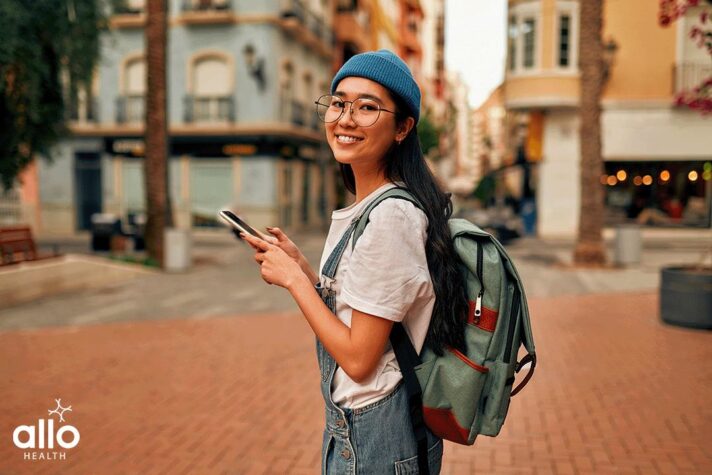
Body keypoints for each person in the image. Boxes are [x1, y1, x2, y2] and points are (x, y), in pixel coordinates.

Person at [240, 49, 468, 474]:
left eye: (367, 107)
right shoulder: (371, 206)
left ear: (403, 127)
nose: (345, 118)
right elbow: (363, 309)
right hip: (361, 428)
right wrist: (306, 270)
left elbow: (361, 359)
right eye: (339, 102)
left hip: (376, 434)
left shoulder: (390, 216)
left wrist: (295, 282)